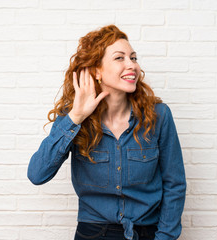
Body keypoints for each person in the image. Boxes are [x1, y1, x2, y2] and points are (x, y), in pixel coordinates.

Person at [27, 25, 186, 240]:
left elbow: (174, 184)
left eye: (134, 58)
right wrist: (76, 117)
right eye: (120, 58)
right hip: (93, 233)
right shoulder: (73, 117)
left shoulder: (159, 116)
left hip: (148, 233)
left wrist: (165, 237)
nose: (132, 65)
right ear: (96, 70)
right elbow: (37, 174)